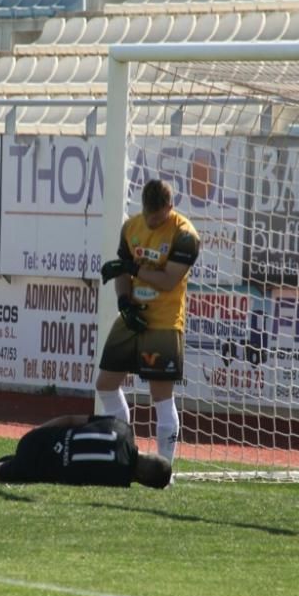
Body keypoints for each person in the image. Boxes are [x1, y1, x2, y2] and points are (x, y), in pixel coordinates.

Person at [95, 179, 200, 464]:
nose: (152, 221)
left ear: (170, 207)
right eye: (148, 214)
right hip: (133, 316)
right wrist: (124, 302)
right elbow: (121, 271)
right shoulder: (131, 227)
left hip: (164, 322)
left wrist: (133, 267)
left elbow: (168, 280)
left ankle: (164, 469)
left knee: (161, 397)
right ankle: (123, 453)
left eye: (158, 216)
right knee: (104, 384)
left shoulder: (185, 234)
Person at [0, 415, 172, 489]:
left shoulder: (122, 427)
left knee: (10, 461)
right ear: (144, 482)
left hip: (38, 438)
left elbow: (71, 419)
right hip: (37, 466)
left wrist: (37, 432)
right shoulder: (118, 478)